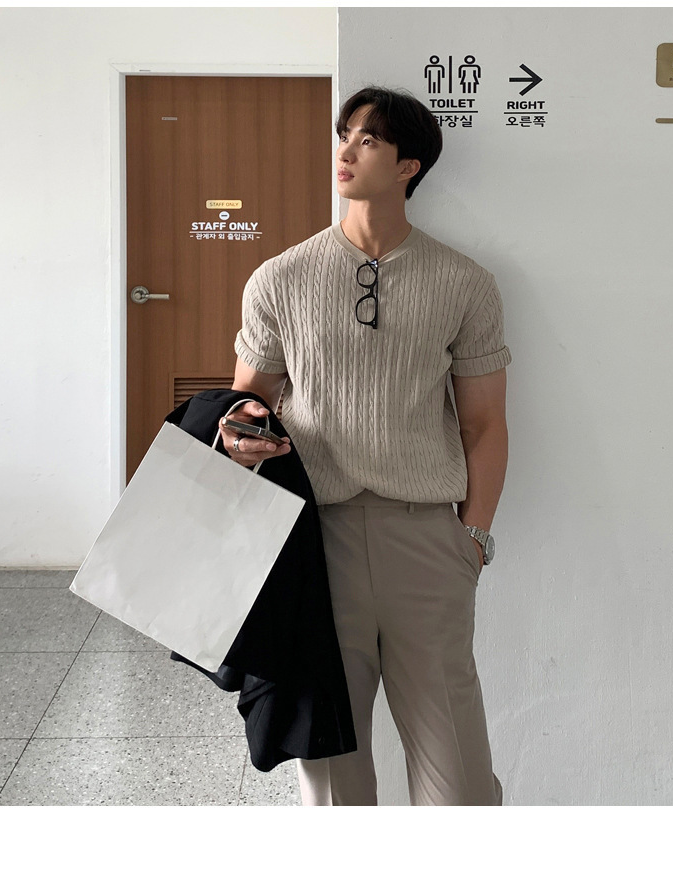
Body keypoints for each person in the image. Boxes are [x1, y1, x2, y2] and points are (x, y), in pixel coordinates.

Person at [218, 86, 511, 806]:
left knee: (460, 785)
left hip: (428, 541)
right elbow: (247, 404)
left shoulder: (464, 282)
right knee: (332, 778)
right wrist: (241, 433)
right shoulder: (280, 278)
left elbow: (483, 424)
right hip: (314, 544)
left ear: (410, 166)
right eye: (344, 134)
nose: (345, 151)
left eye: (369, 140)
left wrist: (472, 538)